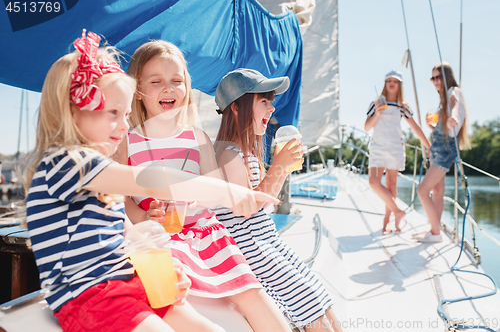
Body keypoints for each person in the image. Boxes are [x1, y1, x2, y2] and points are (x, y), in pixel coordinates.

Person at [24, 30, 279, 332]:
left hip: (127, 282)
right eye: (113, 113)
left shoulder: (96, 177)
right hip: (92, 298)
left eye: (126, 114)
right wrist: (227, 192)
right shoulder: (68, 163)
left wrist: (164, 267)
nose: (122, 126)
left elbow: (124, 235)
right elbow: (153, 180)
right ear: (73, 113)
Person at [114, 40, 291, 332]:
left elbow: (214, 188)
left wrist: (204, 195)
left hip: (207, 236)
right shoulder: (128, 141)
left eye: (176, 81)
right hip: (160, 239)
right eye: (156, 81)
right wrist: (143, 218)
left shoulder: (198, 138)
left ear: (187, 88)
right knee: (172, 298)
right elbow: (119, 199)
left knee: (253, 294)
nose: (168, 88)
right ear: (138, 90)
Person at [213, 68, 344, 332]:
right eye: (264, 101)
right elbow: (246, 207)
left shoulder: (243, 152)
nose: (272, 108)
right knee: (306, 302)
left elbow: (267, 198)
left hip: (268, 243)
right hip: (253, 250)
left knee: (317, 293)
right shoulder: (227, 154)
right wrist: (279, 167)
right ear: (236, 108)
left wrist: (282, 168)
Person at [364, 70, 430, 233]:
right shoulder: (376, 103)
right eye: (388, 81)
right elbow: (366, 127)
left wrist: (428, 145)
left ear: (399, 85)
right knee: (373, 182)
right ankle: (398, 211)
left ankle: (389, 221)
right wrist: (378, 112)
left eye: (395, 81)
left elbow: (415, 127)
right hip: (378, 146)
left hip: (395, 147)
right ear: (385, 84)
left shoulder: (403, 107)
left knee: (391, 184)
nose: (391, 83)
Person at [415, 62, 470, 243]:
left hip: (445, 148)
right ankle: (434, 229)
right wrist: (433, 125)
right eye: (433, 78)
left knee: (422, 191)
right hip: (438, 146)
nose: (435, 81)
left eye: (438, 77)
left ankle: (436, 233)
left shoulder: (453, 91)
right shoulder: (443, 97)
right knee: (437, 190)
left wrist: (454, 116)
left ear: (447, 77)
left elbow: (454, 105)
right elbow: (444, 121)